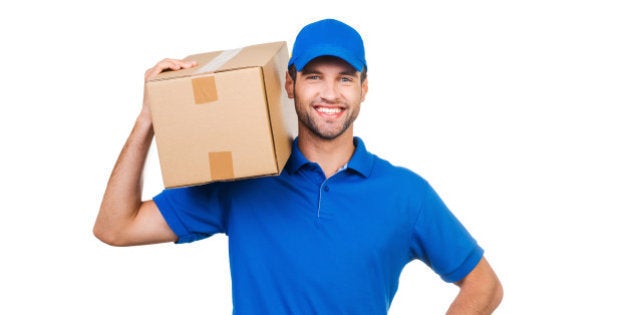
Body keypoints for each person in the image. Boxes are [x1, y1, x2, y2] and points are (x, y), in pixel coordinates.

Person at [94, 18, 503, 314]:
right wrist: (150, 117)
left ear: (364, 88)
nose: (330, 93)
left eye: (345, 78)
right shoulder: (245, 180)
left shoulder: (405, 194)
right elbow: (115, 227)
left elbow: (484, 284)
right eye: (314, 77)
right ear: (289, 84)